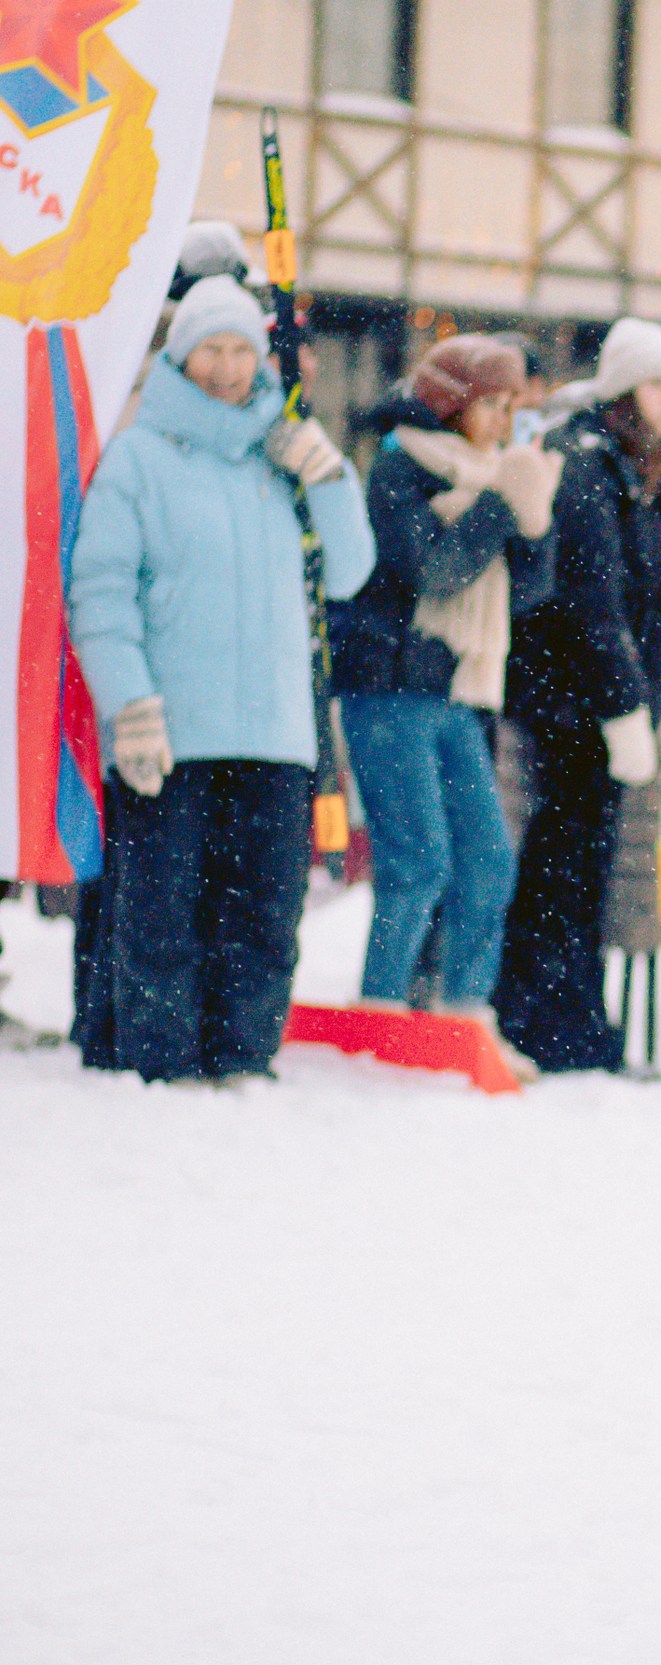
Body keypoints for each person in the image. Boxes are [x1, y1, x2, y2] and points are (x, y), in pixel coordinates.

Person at [67, 276, 376, 1083]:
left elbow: (350, 573)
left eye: (243, 349)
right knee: (162, 909)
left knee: (265, 913)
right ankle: (162, 1062)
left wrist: (329, 478)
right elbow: (101, 590)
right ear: (180, 358)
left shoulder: (284, 458)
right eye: (212, 349)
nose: (230, 367)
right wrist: (129, 703)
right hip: (172, 729)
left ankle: (242, 1057)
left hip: (275, 731)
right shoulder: (138, 458)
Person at [334, 335, 560, 1055]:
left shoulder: (490, 474)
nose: (502, 422)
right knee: (418, 861)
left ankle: (465, 1013)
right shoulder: (399, 467)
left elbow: (527, 590)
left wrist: (533, 518)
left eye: (511, 407)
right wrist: (499, 504)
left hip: (459, 690)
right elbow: (433, 571)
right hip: (390, 684)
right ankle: (379, 1008)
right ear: (452, 403)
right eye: (490, 405)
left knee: (489, 858)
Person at [493, 317, 661, 1072]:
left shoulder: (635, 468)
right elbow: (592, 603)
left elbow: (658, 605)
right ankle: (548, 1018)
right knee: (562, 863)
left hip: (598, 699)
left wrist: (660, 704)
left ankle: (572, 1015)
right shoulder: (587, 462)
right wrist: (624, 708)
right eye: (655, 385)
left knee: (586, 863)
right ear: (622, 389)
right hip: (567, 699)